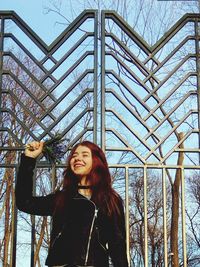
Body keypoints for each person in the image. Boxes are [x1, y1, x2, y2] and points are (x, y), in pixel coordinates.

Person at [15, 140, 129, 267]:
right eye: (74, 155)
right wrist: (28, 160)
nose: (78, 158)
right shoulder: (62, 198)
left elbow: (117, 244)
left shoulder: (110, 200)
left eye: (85, 155)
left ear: (97, 161)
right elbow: (24, 202)